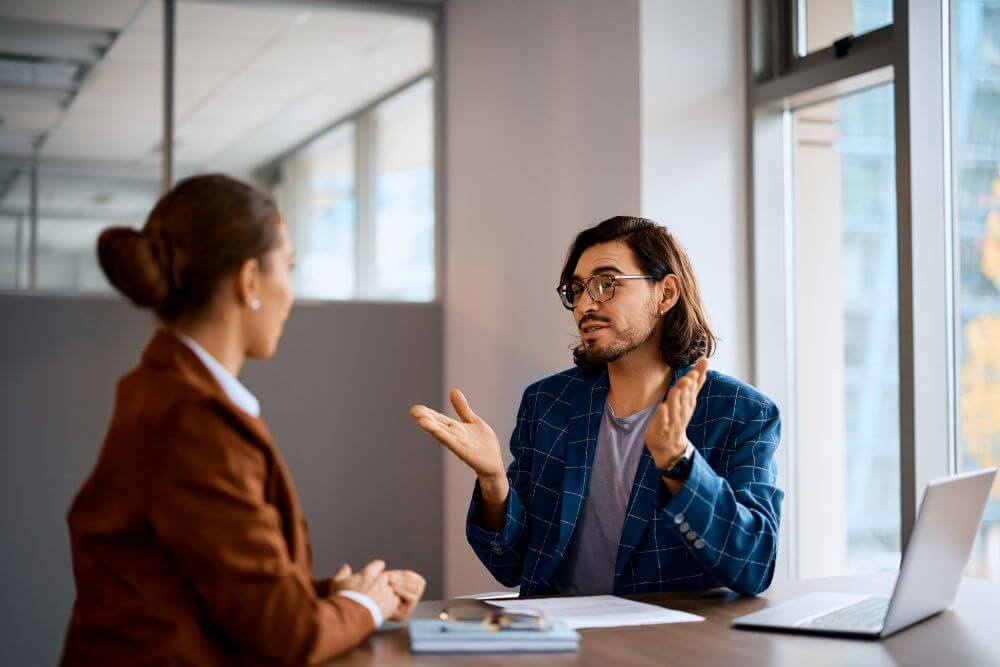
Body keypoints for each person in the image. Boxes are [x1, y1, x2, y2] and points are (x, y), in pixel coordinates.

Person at [61, 174, 424, 665]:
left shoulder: (166, 388)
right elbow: (287, 637)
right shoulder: (193, 419)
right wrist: (364, 605)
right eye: (289, 268)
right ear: (250, 280)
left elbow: (215, 586)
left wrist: (337, 595)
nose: (291, 294)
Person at [412, 216, 782, 597]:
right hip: (559, 642)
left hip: (669, 645)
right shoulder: (547, 403)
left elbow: (754, 566)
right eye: (577, 289)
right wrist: (493, 483)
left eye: (608, 284)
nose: (586, 304)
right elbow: (510, 565)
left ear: (666, 293)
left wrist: (678, 462)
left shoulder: (741, 411)